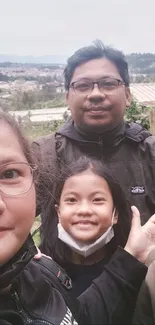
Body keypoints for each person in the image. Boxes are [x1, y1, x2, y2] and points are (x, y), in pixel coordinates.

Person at [0, 110, 154, 325]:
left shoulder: (41, 272)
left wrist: (132, 256)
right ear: (56, 210)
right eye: (71, 200)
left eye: (9, 174)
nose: (84, 210)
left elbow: (82, 318)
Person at [32, 40, 155, 259]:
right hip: (58, 287)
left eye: (108, 84)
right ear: (68, 97)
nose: (96, 94)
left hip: (141, 284)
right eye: (83, 85)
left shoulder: (149, 152)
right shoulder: (44, 154)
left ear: (127, 95)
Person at [42, 156, 132, 296]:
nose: (84, 210)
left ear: (115, 214)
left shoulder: (132, 271)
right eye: (72, 200)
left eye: (97, 200)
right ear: (58, 212)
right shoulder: (39, 271)